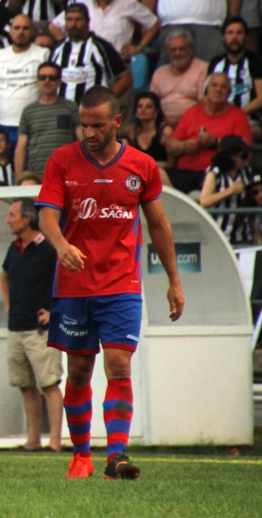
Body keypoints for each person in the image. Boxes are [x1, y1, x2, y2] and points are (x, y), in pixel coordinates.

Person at [37, 86, 184, 480]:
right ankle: (81, 455)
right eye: (83, 125)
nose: (88, 133)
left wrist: (173, 279)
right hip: (74, 285)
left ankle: (116, 455)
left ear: (117, 122)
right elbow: (46, 216)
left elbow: (158, 224)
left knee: (119, 365)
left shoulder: (142, 166)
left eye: (97, 125)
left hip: (122, 282)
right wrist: (62, 243)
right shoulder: (62, 161)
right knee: (80, 370)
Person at [0, 199, 62, 452]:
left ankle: (56, 442)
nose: (8, 220)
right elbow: (4, 275)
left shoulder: (48, 248)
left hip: (40, 330)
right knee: (25, 385)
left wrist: (55, 311)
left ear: (27, 219)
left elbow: (66, 278)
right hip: (16, 327)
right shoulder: (14, 248)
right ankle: (33, 440)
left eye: (12, 215)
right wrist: (8, 305)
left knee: (49, 384)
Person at [166, 73, 252, 192]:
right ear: (206, 90)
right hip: (184, 172)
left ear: (229, 93)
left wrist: (215, 143)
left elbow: (246, 152)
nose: (218, 89)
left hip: (215, 174)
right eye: (214, 85)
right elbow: (171, 146)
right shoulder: (191, 112)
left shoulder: (238, 116)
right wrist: (184, 146)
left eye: (223, 87)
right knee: (154, 175)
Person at [0, 13, 49, 144]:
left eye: (25, 28)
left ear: (32, 31)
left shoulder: (44, 54)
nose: (21, 32)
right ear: (10, 31)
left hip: (34, 126)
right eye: (17, 28)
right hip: (4, 126)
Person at [54, 0, 158, 59]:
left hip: (119, 62)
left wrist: (139, 47)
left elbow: (154, 24)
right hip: (87, 61)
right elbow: (54, 27)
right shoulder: (82, 5)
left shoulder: (128, 2)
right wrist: (70, 47)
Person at [49, 3, 130, 104]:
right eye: (69, 20)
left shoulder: (101, 46)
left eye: (78, 20)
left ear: (87, 21)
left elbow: (125, 78)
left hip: (90, 113)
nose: (73, 24)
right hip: (61, 112)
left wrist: (105, 102)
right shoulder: (58, 48)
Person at [16, 61, 79, 176]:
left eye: (52, 77)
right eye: (42, 77)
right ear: (37, 81)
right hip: (37, 175)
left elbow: (82, 141)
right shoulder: (28, 111)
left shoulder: (71, 107)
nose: (47, 81)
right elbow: (21, 148)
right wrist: (19, 178)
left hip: (67, 173)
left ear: (59, 82)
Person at [208, 17, 262, 127]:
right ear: (224, 37)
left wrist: (235, 115)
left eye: (239, 33)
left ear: (246, 37)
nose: (234, 37)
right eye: (230, 33)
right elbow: (206, 96)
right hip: (217, 119)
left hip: (247, 121)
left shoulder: (256, 61)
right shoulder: (215, 62)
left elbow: (261, 98)